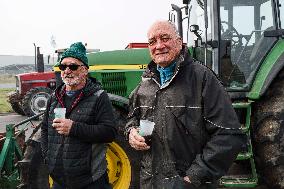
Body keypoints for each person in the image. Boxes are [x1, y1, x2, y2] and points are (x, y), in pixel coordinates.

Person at [126, 20, 245, 189]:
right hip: (150, 183)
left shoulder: (202, 78)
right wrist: (131, 132)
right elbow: (132, 117)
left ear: (179, 42)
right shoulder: (145, 83)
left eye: (165, 38)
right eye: (152, 42)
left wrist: (194, 176)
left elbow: (228, 135)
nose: (159, 46)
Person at [41, 42, 116, 189]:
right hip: (59, 181)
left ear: (85, 70)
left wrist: (74, 128)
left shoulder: (99, 97)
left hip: (90, 181)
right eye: (63, 66)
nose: (67, 70)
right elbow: (44, 129)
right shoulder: (54, 97)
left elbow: (110, 132)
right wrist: (47, 157)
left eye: (73, 66)